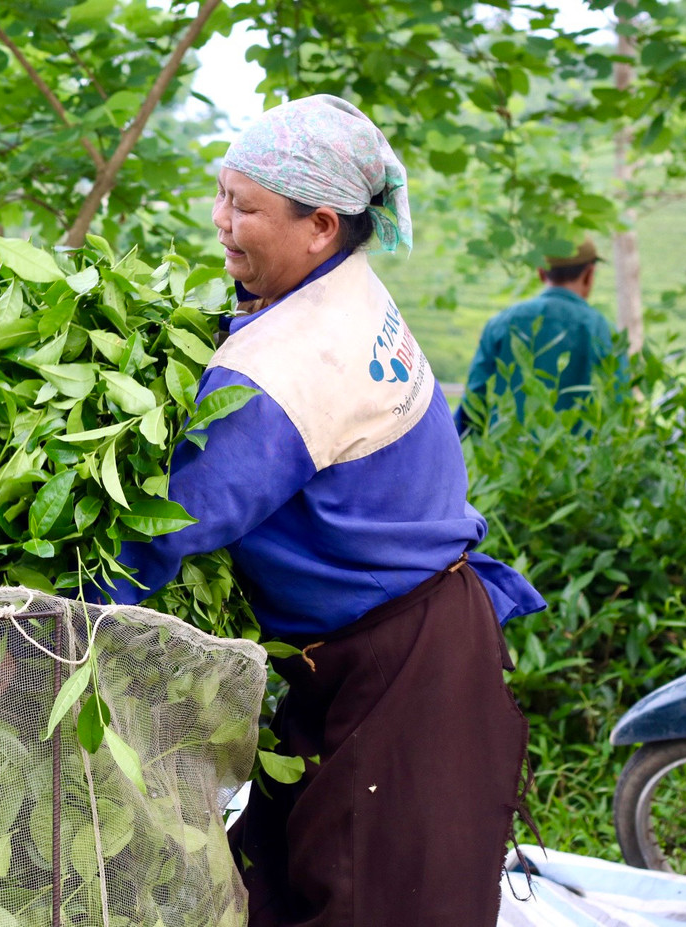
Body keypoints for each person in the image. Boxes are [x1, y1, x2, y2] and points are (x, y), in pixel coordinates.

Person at [90, 95, 546, 926]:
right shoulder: (343, 288)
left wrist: (47, 622)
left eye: (245, 207)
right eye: (221, 195)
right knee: (276, 878)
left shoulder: (282, 369)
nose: (221, 221)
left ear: (321, 227)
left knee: (377, 899)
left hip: (403, 666)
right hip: (384, 642)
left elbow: (167, 528)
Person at [454, 239, 621, 434]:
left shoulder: (501, 324)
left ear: (541, 272)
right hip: (581, 453)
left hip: (507, 451)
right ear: (589, 274)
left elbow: (473, 403)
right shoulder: (604, 331)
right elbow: (618, 404)